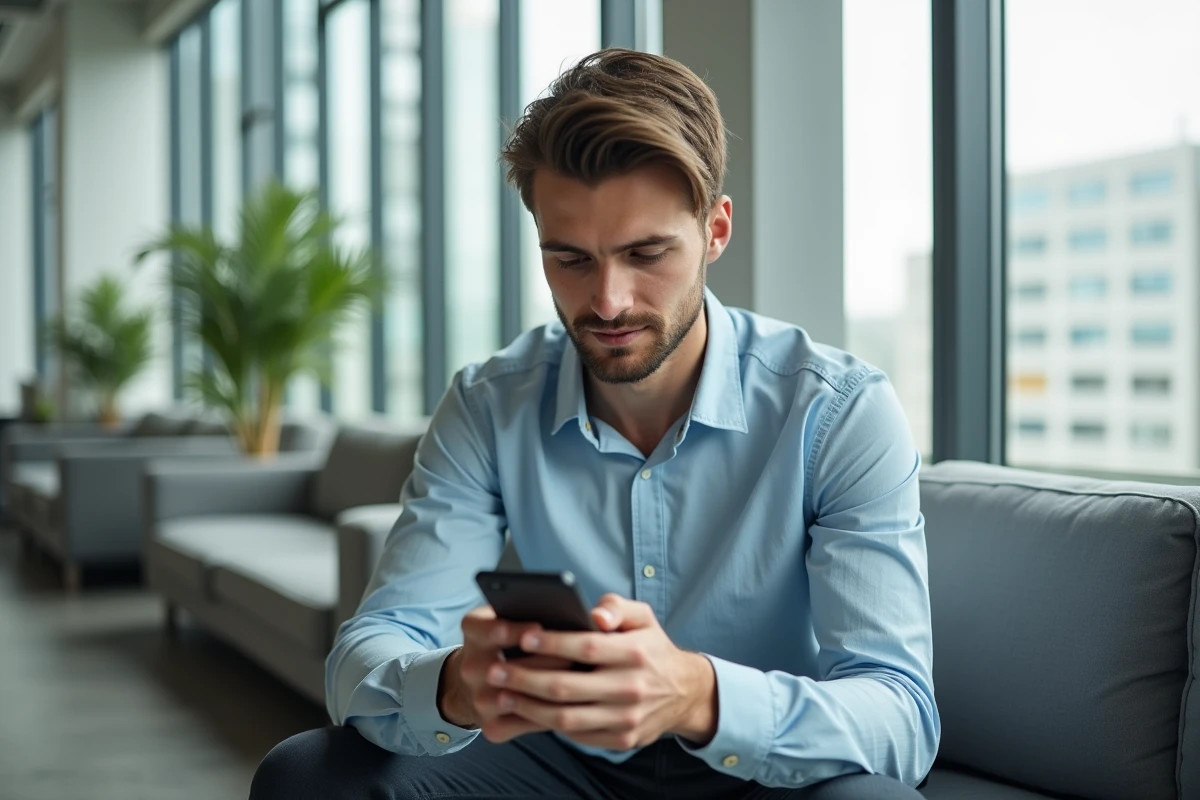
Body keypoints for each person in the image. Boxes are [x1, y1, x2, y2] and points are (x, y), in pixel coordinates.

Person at [250, 48, 939, 800]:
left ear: (715, 230)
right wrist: (453, 685)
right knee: (307, 777)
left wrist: (697, 697)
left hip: (761, 767)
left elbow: (901, 715)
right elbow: (366, 656)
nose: (608, 301)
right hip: (556, 759)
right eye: (570, 259)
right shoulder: (489, 404)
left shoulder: (838, 411)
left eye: (646, 253)